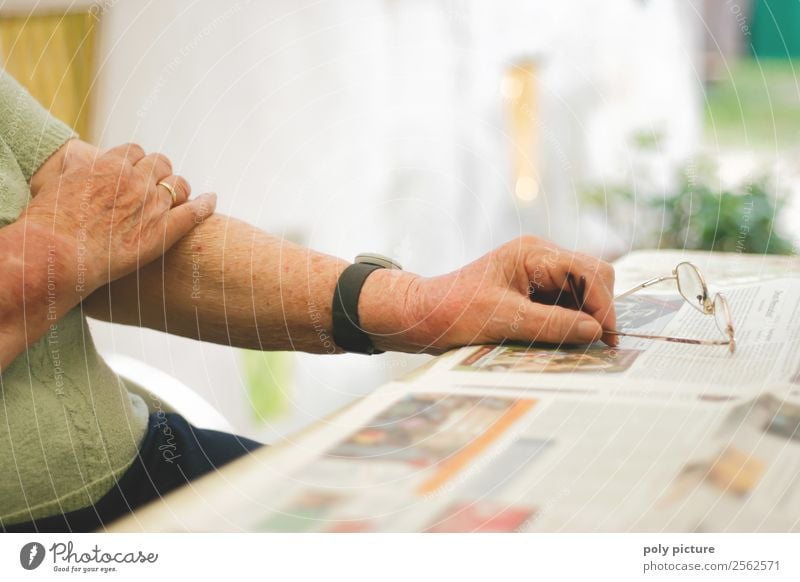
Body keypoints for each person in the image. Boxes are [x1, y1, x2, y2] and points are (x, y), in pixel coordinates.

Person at [0, 68, 616, 532]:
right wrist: (47, 252)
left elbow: (117, 234)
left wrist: (420, 302)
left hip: (145, 462)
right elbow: (76, 238)